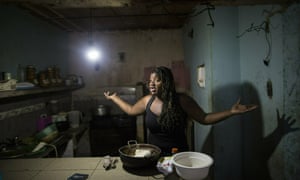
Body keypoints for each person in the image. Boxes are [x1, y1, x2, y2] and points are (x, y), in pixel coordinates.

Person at [104, 66, 257, 155]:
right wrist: (115, 98)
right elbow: (130, 110)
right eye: (149, 81)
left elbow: (204, 118)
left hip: (177, 155)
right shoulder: (147, 101)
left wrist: (230, 112)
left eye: (156, 80)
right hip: (154, 154)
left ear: (167, 82)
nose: (151, 84)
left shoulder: (182, 100)